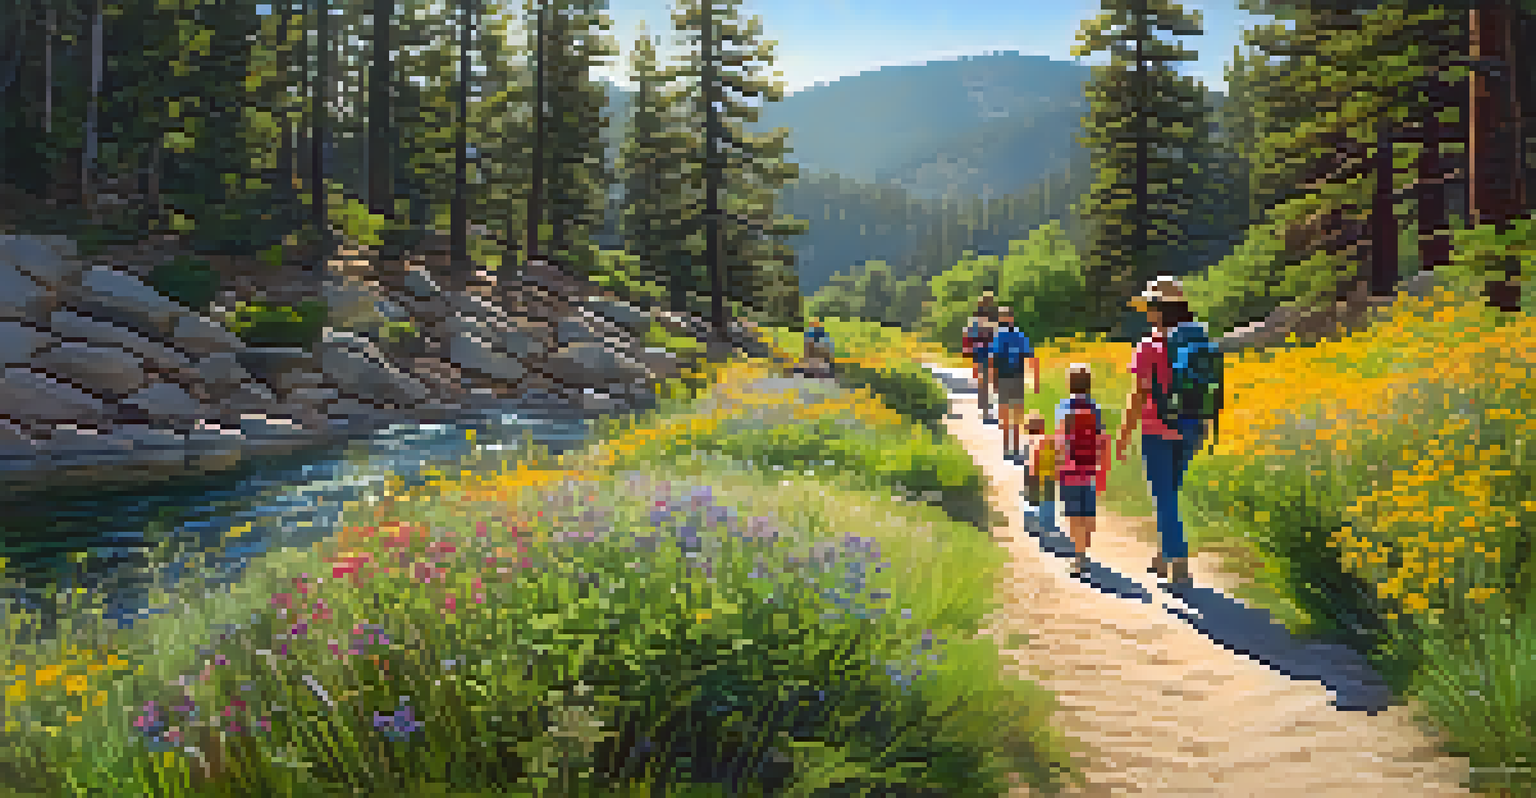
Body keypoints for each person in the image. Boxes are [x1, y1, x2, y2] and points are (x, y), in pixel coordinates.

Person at [1114, 276, 1208, 588]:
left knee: (1163, 496)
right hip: (1192, 428)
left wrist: (1124, 435)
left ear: (1160, 309)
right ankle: (1161, 554)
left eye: (1151, 306)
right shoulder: (1199, 341)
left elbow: (1138, 396)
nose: (1147, 312)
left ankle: (1178, 562)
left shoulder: (1149, 346)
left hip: (1157, 429)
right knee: (1170, 494)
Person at [1056, 363, 1109, 578]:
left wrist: (1058, 464)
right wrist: (1102, 469)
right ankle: (1084, 545)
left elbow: (1060, 439)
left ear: (1069, 384)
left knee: (1073, 513)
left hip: (1069, 470)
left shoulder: (1064, 406)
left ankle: (1079, 557)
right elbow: (1101, 440)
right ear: (1089, 385)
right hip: (1089, 469)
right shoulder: (1094, 408)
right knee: (1087, 512)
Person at [987, 306, 1040, 461]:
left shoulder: (999, 336)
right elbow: (1030, 356)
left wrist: (993, 380)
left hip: (1007, 378)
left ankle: (1008, 447)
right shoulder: (1019, 335)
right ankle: (1013, 447)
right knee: (1014, 415)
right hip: (1015, 378)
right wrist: (1034, 380)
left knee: (1007, 415)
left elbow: (992, 360)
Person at [962, 293, 1000, 423]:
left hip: (981, 352)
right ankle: (988, 408)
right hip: (989, 352)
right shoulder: (994, 321)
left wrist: (967, 348)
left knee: (985, 381)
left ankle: (986, 408)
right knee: (991, 381)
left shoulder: (975, 321)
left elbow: (967, 335)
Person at [1021, 410, 1057, 534]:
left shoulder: (1029, 440)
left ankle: (1031, 521)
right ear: (1042, 427)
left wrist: (1032, 470)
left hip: (1034, 472)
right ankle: (1048, 522)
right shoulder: (1049, 439)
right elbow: (1057, 455)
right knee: (1049, 498)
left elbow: (1032, 456)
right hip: (1050, 473)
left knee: (1032, 497)